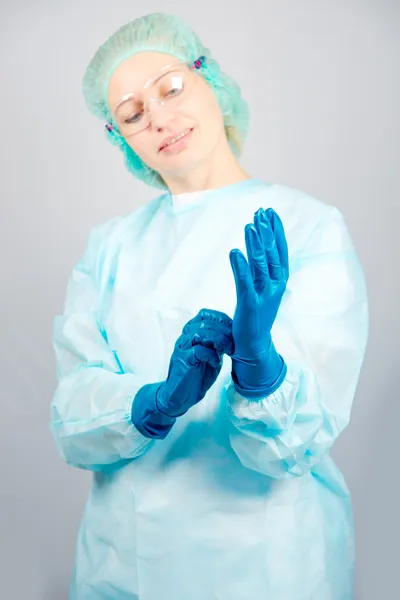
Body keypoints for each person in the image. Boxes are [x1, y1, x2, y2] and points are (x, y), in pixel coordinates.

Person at [50, 12, 369, 600]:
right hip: (127, 561)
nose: (160, 119)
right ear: (122, 140)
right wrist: (154, 402)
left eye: (170, 89)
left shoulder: (308, 226)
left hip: (269, 565)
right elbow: (72, 416)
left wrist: (258, 365)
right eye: (132, 114)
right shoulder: (110, 247)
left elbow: (295, 444)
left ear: (210, 81)